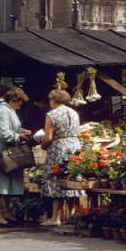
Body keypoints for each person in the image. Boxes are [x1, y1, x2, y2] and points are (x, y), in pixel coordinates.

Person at [40, 89, 82, 227]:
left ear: (53, 100)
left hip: (59, 146)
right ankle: (73, 216)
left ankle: (55, 218)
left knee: (56, 179)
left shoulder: (52, 114)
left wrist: (43, 145)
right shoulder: (74, 112)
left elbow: (48, 137)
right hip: (74, 145)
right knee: (72, 178)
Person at [0, 87, 31, 225]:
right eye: (19, 102)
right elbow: (4, 133)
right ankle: (0, 214)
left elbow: (13, 128)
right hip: (2, 152)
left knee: (6, 184)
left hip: (9, 151)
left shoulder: (10, 110)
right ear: (12, 100)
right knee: (0, 184)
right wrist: (19, 136)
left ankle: (7, 211)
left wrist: (22, 131)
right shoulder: (2, 111)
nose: (19, 106)